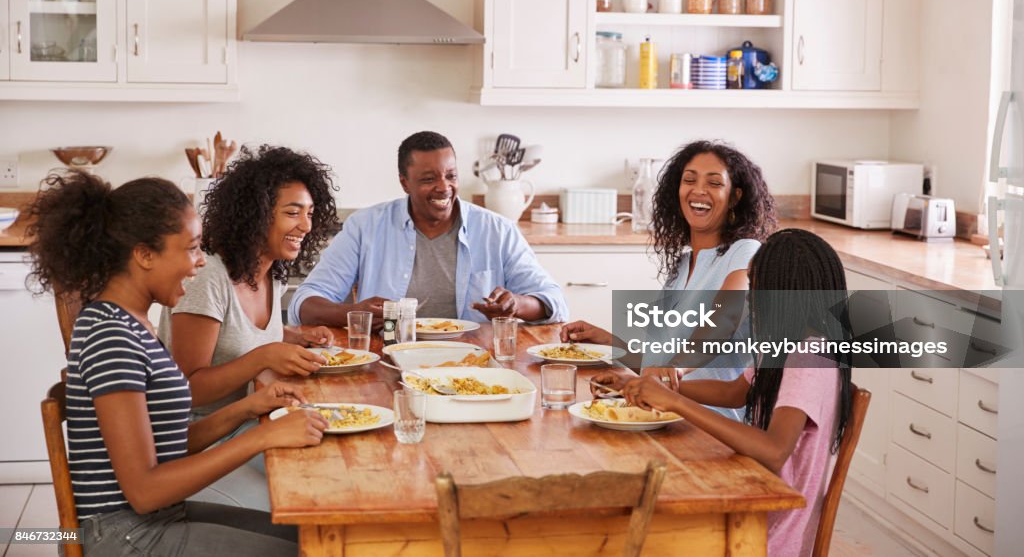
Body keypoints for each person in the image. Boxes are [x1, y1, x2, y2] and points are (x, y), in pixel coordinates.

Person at [27, 172, 327, 556]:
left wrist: (249, 408)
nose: (199, 263)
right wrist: (262, 436)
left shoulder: (133, 323)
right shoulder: (111, 336)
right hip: (123, 536)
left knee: (313, 537)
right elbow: (145, 490)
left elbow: (167, 445)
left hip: (155, 521)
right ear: (144, 254)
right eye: (190, 249)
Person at [593, 229, 854, 557]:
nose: (750, 299)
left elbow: (774, 451)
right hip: (752, 499)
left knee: (638, 533)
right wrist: (657, 386)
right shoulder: (783, 344)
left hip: (766, 533)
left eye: (757, 289)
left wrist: (675, 401)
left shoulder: (808, 358)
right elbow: (734, 393)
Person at [561, 140, 777, 416]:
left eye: (714, 183)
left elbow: (723, 321)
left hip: (711, 429)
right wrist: (609, 342)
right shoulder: (683, 266)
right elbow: (657, 366)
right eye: (689, 180)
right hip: (664, 416)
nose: (698, 190)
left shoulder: (745, 252)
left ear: (735, 197)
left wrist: (674, 368)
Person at [289, 131, 568, 327]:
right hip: (389, 359)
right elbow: (303, 304)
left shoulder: (497, 230)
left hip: (476, 363)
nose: (444, 187)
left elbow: (554, 302)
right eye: (428, 179)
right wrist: (352, 313)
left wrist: (517, 304)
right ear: (404, 182)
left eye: (451, 176)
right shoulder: (365, 226)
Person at [159, 145, 340, 419]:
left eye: (310, 213)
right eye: (293, 213)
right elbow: (188, 390)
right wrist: (265, 357)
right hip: (200, 433)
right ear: (256, 215)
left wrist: (297, 337)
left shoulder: (270, 269)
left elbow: (237, 335)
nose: (306, 226)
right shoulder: (207, 276)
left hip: (252, 417)